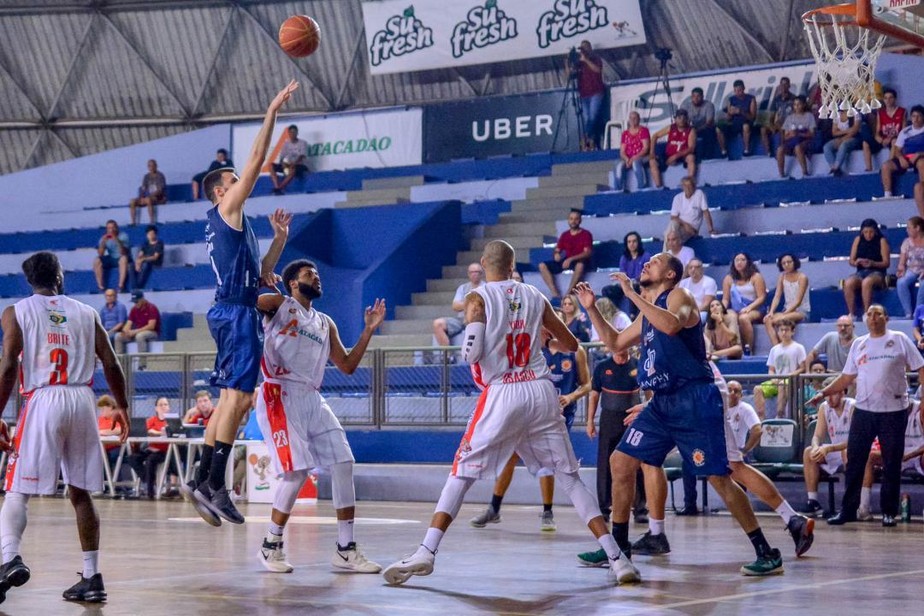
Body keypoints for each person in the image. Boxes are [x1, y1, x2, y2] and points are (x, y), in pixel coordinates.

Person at [382, 240, 640, 587]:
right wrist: (534, 335)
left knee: (461, 472)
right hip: (540, 389)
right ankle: (617, 558)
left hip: (503, 391)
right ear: (512, 264)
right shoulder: (535, 295)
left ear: (484, 263)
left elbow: (471, 354)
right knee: (570, 477)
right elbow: (570, 345)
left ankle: (427, 551)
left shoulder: (478, 298)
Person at [575, 254, 785, 576]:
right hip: (661, 403)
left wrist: (632, 294)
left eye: (654, 262)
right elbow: (614, 340)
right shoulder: (648, 313)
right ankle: (618, 547)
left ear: (671, 274)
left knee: (719, 477)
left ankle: (765, 550)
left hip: (694, 399)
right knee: (621, 462)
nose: (646, 264)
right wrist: (591, 308)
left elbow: (672, 325)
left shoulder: (679, 296)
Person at [179, 80, 298, 527]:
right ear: (219, 192)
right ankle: (215, 484)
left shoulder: (236, 226)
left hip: (235, 306)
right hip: (235, 311)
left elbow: (264, 272)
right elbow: (253, 161)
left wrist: (280, 241)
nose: (239, 182)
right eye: (231, 182)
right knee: (239, 398)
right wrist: (271, 113)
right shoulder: (227, 210)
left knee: (235, 399)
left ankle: (199, 478)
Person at [0, 251, 129, 604]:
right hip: (83, 400)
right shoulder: (86, 313)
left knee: (16, 488)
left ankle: (8, 557)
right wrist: (123, 407)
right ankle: (92, 576)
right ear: (60, 276)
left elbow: (9, 364)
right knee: (80, 492)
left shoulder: (16, 311)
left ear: (30, 281)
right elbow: (112, 363)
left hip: (44, 398)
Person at [254, 259, 386, 573]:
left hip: (312, 396)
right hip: (279, 392)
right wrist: (262, 276)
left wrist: (368, 331)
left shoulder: (325, 322)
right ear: (292, 283)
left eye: (317, 274)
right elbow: (246, 299)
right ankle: (270, 545)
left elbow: (347, 365)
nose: (317, 278)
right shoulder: (279, 305)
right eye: (309, 274)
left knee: (343, 462)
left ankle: (345, 549)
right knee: (297, 473)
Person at [469, 321, 591, 532]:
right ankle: (494, 507)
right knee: (510, 455)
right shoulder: (533, 350)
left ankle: (547, 511)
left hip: (559, 413)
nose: (546, 329)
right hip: (531, 408)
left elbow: (588, 383)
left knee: (548, 460)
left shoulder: (575, 351)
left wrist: (572, 396)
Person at [812, 304, 924, 527]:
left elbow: (921, 369)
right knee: (854, 461)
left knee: (892, 463)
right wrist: (824, 392)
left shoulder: (900, 339)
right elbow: (845, 378)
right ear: (865, 319)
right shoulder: (859, 344)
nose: (873, 318)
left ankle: (889, 512)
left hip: (893, 411)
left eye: (878, 314)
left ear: (886, 318)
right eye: (870, 314)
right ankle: (848, 510)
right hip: (864, 411)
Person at [585, 347, 642, 520]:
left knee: (637, 463)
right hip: (609, 418)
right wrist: (590, 421)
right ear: (611, 349)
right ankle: (604, 508)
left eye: (624, 348)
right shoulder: (602, 367)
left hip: (632, 417)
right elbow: (594, 396)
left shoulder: (638, 366)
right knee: (605, 462)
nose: (620, 352)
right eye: (617, 348)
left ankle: (640, 509)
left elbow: (648, 392)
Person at [800, 378, 855, 517]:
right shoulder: (824, 407)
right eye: (827, 395)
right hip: (835, 450)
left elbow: (855, 440)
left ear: (843, 393)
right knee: (808, 453)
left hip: (854, 451)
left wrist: (829, 449)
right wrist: (815, 447)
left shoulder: (853, 406)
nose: (829, 399)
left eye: (833, 394)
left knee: (846, 452)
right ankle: (813, 502)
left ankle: (850, 504)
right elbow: (817, 436)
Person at [861, 400, 924, 519]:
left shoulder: (920, 410)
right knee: (871, 456)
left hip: (918, 453)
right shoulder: (889, 411)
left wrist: (908, 455)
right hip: (897, 452)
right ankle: (863, 507)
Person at [753, 320, 806, 420]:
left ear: (792, 332)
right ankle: (761, 419)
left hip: (791, 381)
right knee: (758, 389)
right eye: (781, 330)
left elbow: (802, 368)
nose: (784, 333)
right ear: (778, 332)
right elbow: (771, 369)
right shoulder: (774, 349)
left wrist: (790, 375)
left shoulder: (798, 347)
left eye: (786, 330)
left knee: (783, 383)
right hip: (777, 381)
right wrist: (773, 378)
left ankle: (780, 415)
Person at [538, 209, 593, 299]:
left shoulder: (586, 234)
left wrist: (571, 259)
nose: (573, 221)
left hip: (580, 261)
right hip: (567, 260)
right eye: (571, 219)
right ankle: (555, 294)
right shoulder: (565, 235)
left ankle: (569, 294)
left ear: (580, 220)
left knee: (580, 265)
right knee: (542, 265)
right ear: (568, 220)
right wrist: (556, 254)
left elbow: (587, 253)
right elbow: (557, 249)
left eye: (576, 219)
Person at [843, 218, 890, 319]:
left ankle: (867, 313)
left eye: (871, 232)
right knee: (848, 283)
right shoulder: (858, 240)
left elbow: (886, 263)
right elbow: (851, 260)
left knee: (867, 282)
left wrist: (873, 263)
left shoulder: (882, 241)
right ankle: (852, 313)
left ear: (875, 231)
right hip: (861, 272)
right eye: (865, 232)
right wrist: (857, 262)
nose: (868, 235)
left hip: (877, 272)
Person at [124, 397, 171, 499]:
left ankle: (150, 492)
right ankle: (147, 478)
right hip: (151, 449)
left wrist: (156, 433)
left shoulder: (171, 420)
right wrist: (160, 433)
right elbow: (147, 430)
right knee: (132, 458)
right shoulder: (151, 420)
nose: (163, 407)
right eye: (160, 405)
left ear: (169, 407)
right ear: (156, 408)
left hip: (165, 451)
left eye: (165, 404)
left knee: (151, 460)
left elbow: (171, 432)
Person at [722, 252, 766, 354]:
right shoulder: (728, 278)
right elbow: (725, 299)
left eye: (742, 260)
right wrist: (721, 309)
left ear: (748, 262)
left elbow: (761, 297)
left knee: (743, 318)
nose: (739, 262)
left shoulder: (756, 277)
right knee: (727, 317)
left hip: (755, 309)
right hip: (736, 309)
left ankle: (748, 349)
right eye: (737, 260)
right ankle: (734, 348)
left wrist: (749, 308)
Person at [763, 253, 810, 347]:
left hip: (801, 311)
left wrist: (785, 314)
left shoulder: (802, 277)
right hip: (787, 310)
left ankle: (783, 346)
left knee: (779, 319)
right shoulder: (782, 277)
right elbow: (777, 296)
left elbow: (798, 301)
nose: (786, 265)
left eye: (789, 262)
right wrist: (771, 312)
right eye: (784, 263)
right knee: (767, 319)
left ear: (794, 262)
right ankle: (776, 347)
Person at [432, 263, 483, 348]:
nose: (474, 274)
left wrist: (465, 304)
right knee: (437, 324)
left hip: (479, 320)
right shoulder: (463, 288)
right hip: (461, 320)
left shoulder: (486, 287)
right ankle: (447, 357)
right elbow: (455, 306)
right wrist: (471, 304)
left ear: (481, 274)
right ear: (468, 274)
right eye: (472, 272)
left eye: (477, 272)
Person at [567, 40, 605, 151]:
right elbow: (570, 75)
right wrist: (567, 61)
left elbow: (597, 70)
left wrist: (586, 60)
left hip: (596, 92)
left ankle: (585, 139)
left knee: (593, 116)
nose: (583, 49)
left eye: (586, 47)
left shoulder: (595, 59)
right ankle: (591, 141)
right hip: (584, 94)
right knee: (587, 118)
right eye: (582, 47)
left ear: (590, 48)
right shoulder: (579, 63)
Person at [880, 104, 924, 199]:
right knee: (885, 166)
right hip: (907, 158)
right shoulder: (905, 131)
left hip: (920, 157)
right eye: (913, 116)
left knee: (922, 163)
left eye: (919, 116)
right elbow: (897, 150)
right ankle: (888, 194)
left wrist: (919, 154)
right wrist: (900, 158)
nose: (916, 119)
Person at [649, 108, 697, 189]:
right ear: (675, 119)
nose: (681, 120)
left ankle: (690, 182)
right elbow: (655, 136)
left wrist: (675, 156)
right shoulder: (671, 127)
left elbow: (691, 148)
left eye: (683, 118)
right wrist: (652, 152)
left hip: (682, 155)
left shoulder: (691, 130)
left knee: (691, 157)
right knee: (652, 161)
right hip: (669, 154)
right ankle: (659, 187)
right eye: (679, 118)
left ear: (687, 119)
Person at [862, 87, 905, 172]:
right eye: (885, 98)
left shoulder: (902, 111)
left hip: (895, 139)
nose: (888, 100)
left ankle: (889, 164)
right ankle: (868, 168)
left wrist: (891, 138)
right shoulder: (880, 113)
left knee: (894, 141)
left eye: (890, 98)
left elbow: (903, 131)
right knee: (865, 143)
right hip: (883, 139)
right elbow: (877, 132)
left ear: (895, 99)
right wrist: (881, 140)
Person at [776, 96, 816, 178]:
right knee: (780, 149)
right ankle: (782, 174)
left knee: (798, 147)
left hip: (805, 140)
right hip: (791, 141)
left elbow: (812, 134)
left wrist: (798, 134)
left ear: (803, 105)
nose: (796, 107)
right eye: (795, 105)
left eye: (799, 104)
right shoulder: (790, 118)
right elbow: (785, 136)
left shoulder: (809, 116)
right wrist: (791, 134)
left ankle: (805, 172)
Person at [716, 79, 757, 157]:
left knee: (746, 126)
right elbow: (728, 118)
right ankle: (723, 151)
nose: (738, 92)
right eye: (736, 90)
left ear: (744, 88)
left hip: (747, 123)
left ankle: (746, 150)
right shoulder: (731, 99)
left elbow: (753, 117)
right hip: (734, 124)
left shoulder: (751, 99)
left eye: (740, 90)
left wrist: (741, 112)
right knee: (718, 128)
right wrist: (730, 113)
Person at [668, 176, 715, 242]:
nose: (687, 188)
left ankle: (668, 250)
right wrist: (685, 225)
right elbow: (673, 217)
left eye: (689, 185)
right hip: (680, 226)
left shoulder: (699, 194)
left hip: (692, 230)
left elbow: (706, 212)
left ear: (694, 186)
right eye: (685, 186)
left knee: (672, 237)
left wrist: (711, 230)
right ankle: (668, 250)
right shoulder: (677, 198)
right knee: (672, 229)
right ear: (682, 187)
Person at [113, 290, 160, 355]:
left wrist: (135, 331)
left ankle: (142, 363)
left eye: (137, 302)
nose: (136, 304)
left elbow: (151, 326)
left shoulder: (151, 308)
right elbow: (128, 323)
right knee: (118, 336)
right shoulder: (134, 309)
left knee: (140, 336)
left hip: (152, 332)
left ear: (142, 299)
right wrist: (125, 332)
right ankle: (120, 362)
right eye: (134, 302)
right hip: (137, 331)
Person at [613, 111, 649, 191]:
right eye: (631, 118)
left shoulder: (644, 130)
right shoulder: (625, 133)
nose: (633, 120)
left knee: (636, 163)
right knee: (618, 164)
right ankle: (618, 189)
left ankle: (641, 187)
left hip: (642, 156)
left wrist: (633, 159)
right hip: (628, 158)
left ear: (639, 119)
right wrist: (627, 159)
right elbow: (622, 151)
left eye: (635, 118)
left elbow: (645, 149)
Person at [760, 77, 796, 157]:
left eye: (785, 84)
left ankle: (783, 149)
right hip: (778, 123)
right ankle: (768, 152)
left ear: (789, 85)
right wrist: (771, 124)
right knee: (763, 129)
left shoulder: (793, 98)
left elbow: (796, 114)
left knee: (781, 124)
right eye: (782, 84)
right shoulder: (776, 99)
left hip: (790, 123)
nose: (783, 86)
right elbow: (772, 114)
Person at [726, 380, 761, 461]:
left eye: (736, 391)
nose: (732, 393)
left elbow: (757, 430)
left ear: (741, 395)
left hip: (736, 453)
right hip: (719, 452)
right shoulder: (717, 407)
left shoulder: (745, 408)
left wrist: (745, 450)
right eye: (729, 390)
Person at [896, 216, 924, 317]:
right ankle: (908, 312)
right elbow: (902, 261)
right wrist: (901, 268)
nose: (907, 230)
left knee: (923, 284)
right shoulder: (907, 242)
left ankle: (918, 311)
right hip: (912, 269)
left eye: (909, 227)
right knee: (901, 282)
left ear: (917, 228)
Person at [93, 220, 129, 292]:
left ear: (116, 228)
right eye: (109, 228)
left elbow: (123, 252)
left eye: (113, 228)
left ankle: (120, 285)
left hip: (119, 257)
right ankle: (100, 286)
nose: (111, 230)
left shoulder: (123, 236)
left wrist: (116, 240)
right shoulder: (104, 238)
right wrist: (103, 243)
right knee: (97, 260)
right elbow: (100, 254)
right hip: (110, 257)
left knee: (124, 259)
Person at [271, 124, 309, 195]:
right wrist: (283, 164)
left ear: (297, 133)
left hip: (300, 166)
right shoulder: (286, 144)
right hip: (288, 165)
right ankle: (276, 186)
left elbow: (302, 156)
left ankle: (280, 188)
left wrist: (294, 163)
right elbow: (282, 157)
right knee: (271, 166)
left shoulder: (303, 143)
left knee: (292, 168)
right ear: (288, 133)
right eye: (291, 132)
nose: (293, 134)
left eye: (294, 132)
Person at [823, 108, 862, 177]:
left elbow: (855, 129)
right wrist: (847, 131)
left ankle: (836, 167)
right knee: (827, 147)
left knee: (844, 145)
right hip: (840, 138)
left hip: (854, 138)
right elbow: (834, 132)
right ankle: (833, 167)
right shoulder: (837, 115)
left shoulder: (855, 113)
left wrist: (844, 138)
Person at [680, 86, 718, 157]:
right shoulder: (686, 106)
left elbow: (709, 122)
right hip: (690, 129)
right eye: (694, 96)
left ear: (702, 96)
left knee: (710, 131)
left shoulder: (709, 105)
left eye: (698, 96)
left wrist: (696, 130)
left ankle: (708, 156)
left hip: (704, 128)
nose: (696, 98)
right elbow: (681, 120)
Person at [128, 159, 167, 226]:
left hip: (158, 197)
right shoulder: (146, 177)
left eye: (152, 166)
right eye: (149, 166)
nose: (151, 168)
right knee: (132, 201)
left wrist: (149, 196)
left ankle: (151, 221)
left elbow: (160, 190)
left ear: (156, 166)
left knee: (148, 200)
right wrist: (141, 197)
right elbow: (143, 189)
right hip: (147, 197)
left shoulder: (160, 176)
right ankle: (133, 222)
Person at [97, 394, 123, 470]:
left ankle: (111, 480)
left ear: (110, 407)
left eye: (103, 409)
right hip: (103, 446)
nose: (101, 411)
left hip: (118, 446)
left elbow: (120, 429)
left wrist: (102, 432)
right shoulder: (101, 419)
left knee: (107, 455)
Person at [133, 225, 164, 290]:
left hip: (155, 263)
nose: (151, 235)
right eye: (149, 234)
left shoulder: (159, 243)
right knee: (130, 266)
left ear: (156, 234)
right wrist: (137, 263)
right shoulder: (145, 243)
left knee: (145, 264)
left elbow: (155, 257)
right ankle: (133, 285)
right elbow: (140, 255)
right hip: (145, 261)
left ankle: (138, 286)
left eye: (152, 234)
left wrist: (142, 260)